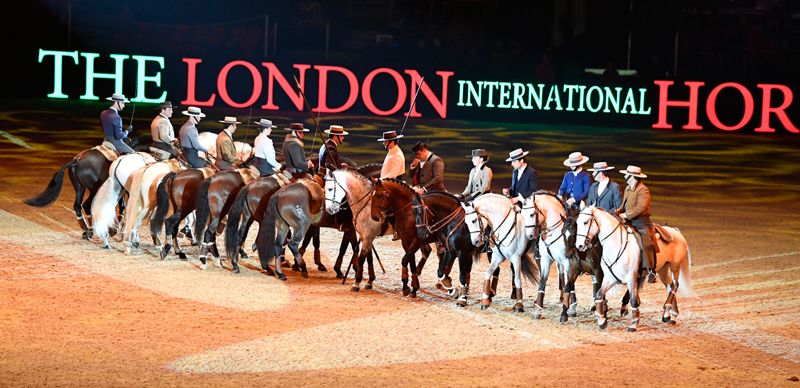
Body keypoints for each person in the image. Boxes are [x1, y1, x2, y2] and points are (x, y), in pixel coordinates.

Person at [616, 165, 658, 283]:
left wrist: (626, 215)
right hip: (628, 221)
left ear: (632, 176)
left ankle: (650, 269)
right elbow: (623, 205)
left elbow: (641, 207)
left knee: (646, 242)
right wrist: (619, 211)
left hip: (641, 222)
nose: (624, 176)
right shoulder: (628, 188)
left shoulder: (643, 189)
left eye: (626, 174)